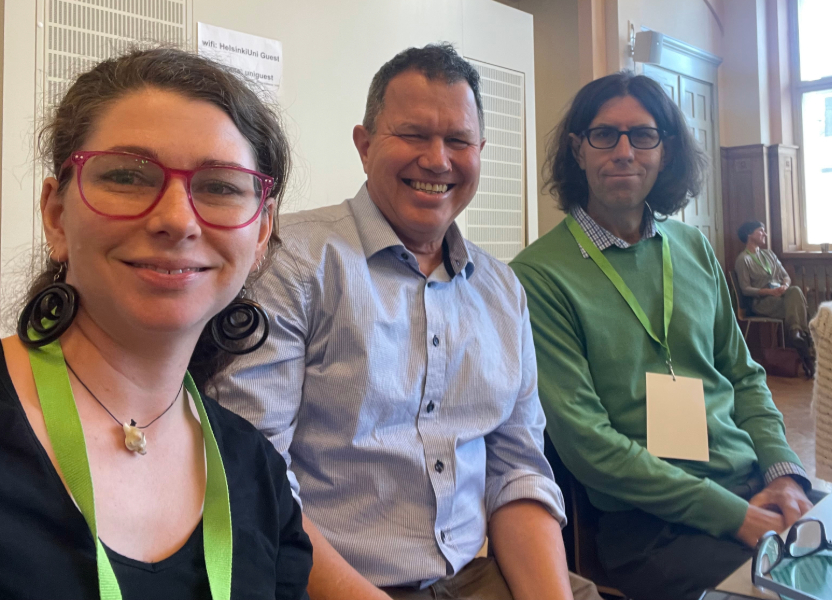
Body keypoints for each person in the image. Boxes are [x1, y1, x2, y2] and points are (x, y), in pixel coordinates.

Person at [213, 44, 596, 600]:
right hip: (327, 585)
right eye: (414, 135)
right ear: (364, 146)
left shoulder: (503, 291)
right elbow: (253, 480)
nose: (438, 160)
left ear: (480, 152)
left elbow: (518, 471)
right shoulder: (289, 261)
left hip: (476, 579)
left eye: (459, 141)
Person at [0, 48, 312, 599]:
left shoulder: (261, 481)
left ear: (260, 235)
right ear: (56, 215)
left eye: (220, 186)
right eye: (127, 176)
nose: (175, 219)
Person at [509, 72, 816, 600]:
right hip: (651, 527)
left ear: (665, 152)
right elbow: (588, 446)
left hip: (752, 487)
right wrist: (735, 516)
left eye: (643, 135)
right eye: (605, 135)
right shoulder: (537, 275)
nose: (624, 151)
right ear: (578, 150)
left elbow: (744, 376)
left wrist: (784, 474)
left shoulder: (693, 248)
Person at [735, 220, 814, 375]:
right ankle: (804, 341)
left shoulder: (769, 254)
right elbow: (745, 289)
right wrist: (769, 292)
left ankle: (798, 335)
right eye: (761, 231)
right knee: (799, 306)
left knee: (795, 290)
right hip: (760, 303)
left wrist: (784, 285)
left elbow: (785, 276)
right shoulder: (743, 259)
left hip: (780, 298)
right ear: (749, 235)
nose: (765, 234)